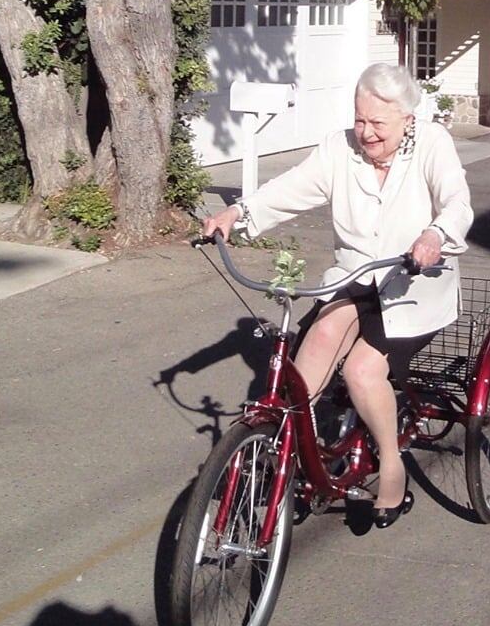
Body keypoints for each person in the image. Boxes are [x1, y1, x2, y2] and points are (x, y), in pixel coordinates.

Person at [203, 63, 474, 528]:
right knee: (319, 339)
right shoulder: (338, 149)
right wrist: (237, 213)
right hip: (354, 276)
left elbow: (457, 202)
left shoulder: (431, 144)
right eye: (360, 120)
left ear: (407, 119)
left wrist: (434, 234)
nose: (365, 133)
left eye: (378, 124)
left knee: (362, 370)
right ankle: (288, 451)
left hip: (413, 284)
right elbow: (288, 189)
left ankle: (391, 463)